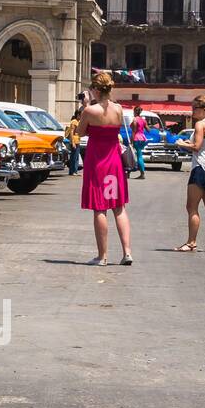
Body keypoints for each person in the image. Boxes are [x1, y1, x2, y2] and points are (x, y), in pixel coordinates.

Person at [77, 72, 132, 266]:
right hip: (114, 162)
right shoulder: (118, 109)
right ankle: (127, 252)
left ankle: (103, 256)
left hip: (97, 162)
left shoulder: (90, 111)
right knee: (119, 207)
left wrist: (86, 105)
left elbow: (80, 132)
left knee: (100, 208)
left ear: (95, 89)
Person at [176, 94, 205, 253]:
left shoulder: (200, 124)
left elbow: (197, 147)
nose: (192, 111)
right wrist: (189, 144)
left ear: (203, 109)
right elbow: (204, 145)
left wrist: (182, 144)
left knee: (191, 207)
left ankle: (191, 242)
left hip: (200, 168)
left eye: (194, 108)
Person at [130, 105, 148, 180]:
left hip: (137, 138)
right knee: (139, 155)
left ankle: (142, 174)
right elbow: (148, 129)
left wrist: (131, 141)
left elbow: (134, 132)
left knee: (139, 156)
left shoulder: (135, 120)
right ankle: (142, 172)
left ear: (134, 112)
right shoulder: (143, 120)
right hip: (143, 138)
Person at [64, 108, 83, 175]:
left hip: (78, 140)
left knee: (76, 156)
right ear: (78, 115)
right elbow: (72, 132)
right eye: (81, 115)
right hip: (74, 140)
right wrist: (73, 142)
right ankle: (73, 171)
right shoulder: (74, 122)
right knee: (74, 157)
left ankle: (74, 171)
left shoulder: (78, 121)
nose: (81, 117)